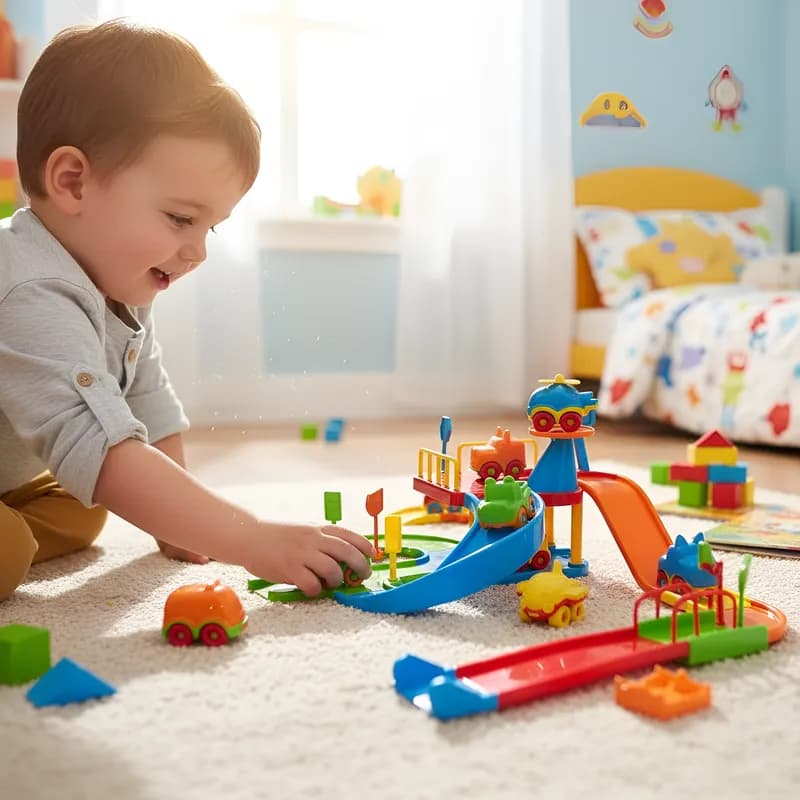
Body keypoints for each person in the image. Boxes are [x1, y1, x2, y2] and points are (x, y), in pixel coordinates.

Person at [0, 19, 373, 602]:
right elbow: (98, 445)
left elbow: (146, 397)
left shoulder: (113, 281)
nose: (197, 251)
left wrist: (177, 522)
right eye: (180, 219)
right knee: (27, 535)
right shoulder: (29, 286)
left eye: (210, 227)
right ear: (73, 182)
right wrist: (253, 540)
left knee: (85, 506)